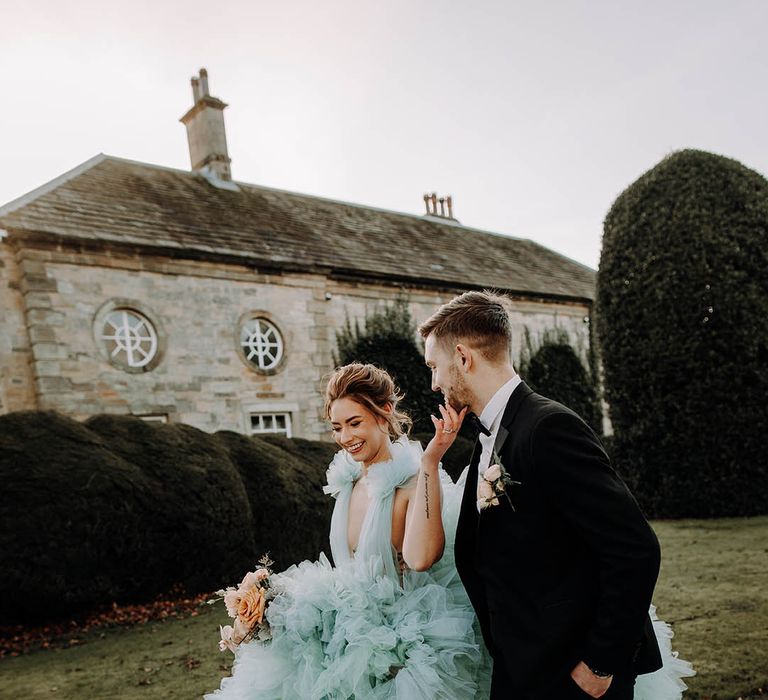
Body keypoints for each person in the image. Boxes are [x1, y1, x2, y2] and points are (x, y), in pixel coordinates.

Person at [418, 290, 694, 700]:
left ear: (463, 357)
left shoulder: (548, 428)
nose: (435, 382)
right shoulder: (488, 437)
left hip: (572, 676)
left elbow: (634, 548)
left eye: (434, 367)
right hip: (523, 666)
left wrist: (600, 665)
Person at [205, 363, 491, 699]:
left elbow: (423, 557)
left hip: (398, 643)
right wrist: (276, 598)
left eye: (355, 423)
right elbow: (347, 568)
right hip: (341, 632)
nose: (345, 438)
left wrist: (430, 463)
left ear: (384, 413)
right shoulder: (348, 480)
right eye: (337, 427)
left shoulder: (413, 482)